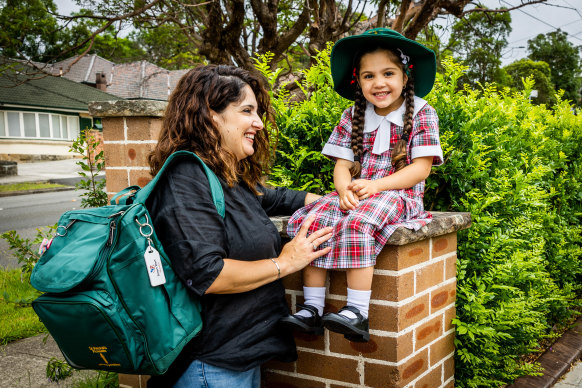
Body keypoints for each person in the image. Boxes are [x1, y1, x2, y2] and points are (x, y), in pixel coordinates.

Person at [145, 64, 333, 387]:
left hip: (237, 361)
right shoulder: (186, 178)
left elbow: (274, 198)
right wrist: (285, 262)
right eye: (247, 111)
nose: (258, 123)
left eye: (257, 112)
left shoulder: (227, 179)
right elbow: (209, 274)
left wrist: (333, 200)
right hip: (208, 367)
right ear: (210, 114)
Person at [280, 28, 443, 342]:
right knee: (314, 220)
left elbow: (420, 170)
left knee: (359, 222)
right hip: (359, 191)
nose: (379, 83)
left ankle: (358, 312)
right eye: (369, 76)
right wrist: (343, 190)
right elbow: (342, 165)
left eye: (388, 73)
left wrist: (377, 186)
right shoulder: (353, 115)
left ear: (405, 77)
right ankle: (312, 309)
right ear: (358, 81)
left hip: (400, 193)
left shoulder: (423, 113)